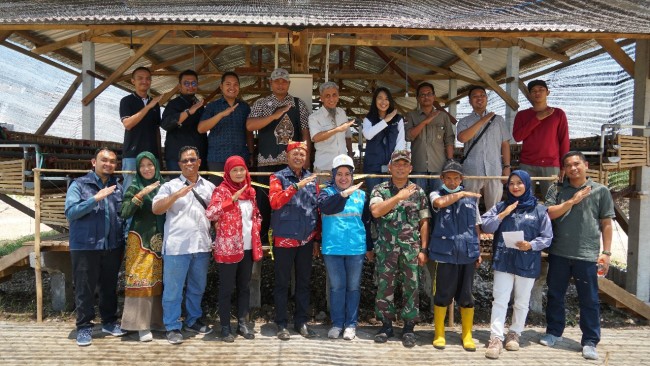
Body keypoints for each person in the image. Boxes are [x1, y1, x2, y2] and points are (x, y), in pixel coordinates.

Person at [540, 151, 614, 360]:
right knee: (555, 295)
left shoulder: (601, 191)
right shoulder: (557, 189)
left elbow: (606, 224)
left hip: (587, 255)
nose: (573, 168)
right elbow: (549, 213)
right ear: (563, 169)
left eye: (576, 164)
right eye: (568, 165)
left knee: (589, 299)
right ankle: (554, 332)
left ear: (585, 165)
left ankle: (590, 341)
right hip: (559, 252)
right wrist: (572, 201)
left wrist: (606, 253)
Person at [481, 170, 553, 359]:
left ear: (528, 185)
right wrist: (503, 214)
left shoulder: (539, 210)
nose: (515, 186)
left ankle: (515, 333)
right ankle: (496, 337)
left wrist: (531, 245)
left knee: (521, 301)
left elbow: (547, 237)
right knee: (500, 299)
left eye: (519, 183)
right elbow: (486, 226)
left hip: (527, 260)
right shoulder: (500, 206)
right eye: (512, 183)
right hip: (504, 259)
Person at [152, 146, 216, 344]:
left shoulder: (209, 187)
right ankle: (172, 326)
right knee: (173, 290)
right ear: (179, 164)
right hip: (177, 247)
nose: (189, 163)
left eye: (192, 159)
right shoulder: (169, 186)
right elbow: (156, 209)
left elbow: (215, 214)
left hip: (201, 246)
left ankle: (193, 320)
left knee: (197, 287)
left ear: (199, 162)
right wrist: (176, 196)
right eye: (185, 161)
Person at [64, 147, 126, 346]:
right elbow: (71, 212)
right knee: (85, 287)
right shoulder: (79, 184)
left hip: (112, 245)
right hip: (86, 246)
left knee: (109, 286)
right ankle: (84, 327)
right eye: (104, 160)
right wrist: (95, 199)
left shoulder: (118, 186)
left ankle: (109, 321)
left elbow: (121, 215)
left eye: (112, 161)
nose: (108, 164)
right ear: (94, 162)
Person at [369, 150, 430, 348]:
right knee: (384, 287)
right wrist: (398, 197)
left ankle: (408, 328)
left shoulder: (418, 192)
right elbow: (376, 211)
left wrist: (423, 249)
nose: (401, 167)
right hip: (386, 249)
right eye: (397, 164)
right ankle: (386, 325)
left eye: (404, 164)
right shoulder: (380, 190)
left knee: (411, 288)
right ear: (390, 167)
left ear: (410, 168)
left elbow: (424, 222)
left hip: (410, 249)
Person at [247, 68, 311, 248]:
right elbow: (250, 125)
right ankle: (261, 242)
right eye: (277, 81)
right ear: (270, 83)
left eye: (284, 81)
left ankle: (288, 239)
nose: (281, 84)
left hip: (292, 165)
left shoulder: (299, 105)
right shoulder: (261, 103)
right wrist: (274, 116)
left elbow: (305, 132)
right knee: (264, 203)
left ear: (289, 84)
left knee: (290, 203)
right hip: (266, 163)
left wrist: (307, 158)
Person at [205, 155, 262, 342]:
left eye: (241, 169)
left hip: (247, 247)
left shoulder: (251, 191)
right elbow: (211, 213)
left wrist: (256, 227)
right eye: (234, 170)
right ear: (227, 173)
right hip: (228, 248)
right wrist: (231, 200)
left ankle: (243, 324)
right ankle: (225, 326)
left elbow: (256, 215)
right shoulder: (221, 191)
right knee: (227, 289)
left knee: (244, 287)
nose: (239, 173)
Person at [428, 160, 482, 352]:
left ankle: (467, 334)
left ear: (462, 179)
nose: (452, 182)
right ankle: (439, 333)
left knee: (466, 296)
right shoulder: (436, 194)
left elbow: (476, 226)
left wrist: (478, 250)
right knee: (442, 294)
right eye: (448, 178)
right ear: (442, 178)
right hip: (445, 254)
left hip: (467, 252)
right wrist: (461, 193)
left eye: (456, 178)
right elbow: (440, 203)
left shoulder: (471, 199)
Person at [268, 141, 320, 340]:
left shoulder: (311, 178)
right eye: (295, 154)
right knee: (282, 283)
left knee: (304, 283)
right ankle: (281, 323)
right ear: (287, 156)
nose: (298, 157)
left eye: (302, 154)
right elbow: (275, 201)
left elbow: (314, 209)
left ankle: (301, 322)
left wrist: (316, 238)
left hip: (306, 240)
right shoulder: (278, 177)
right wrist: (296, 187)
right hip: (284, 240)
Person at [317, 154, 371, 341]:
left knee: (353, 288)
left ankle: (351, 325)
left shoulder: (362, 195)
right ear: (333, 175)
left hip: (356, 249)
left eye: (347, 174)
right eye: (339, 174)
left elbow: (367, 222)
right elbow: (326, 208)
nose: (343, 178)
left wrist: (369, 247)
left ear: (352, 176)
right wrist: (343, 195)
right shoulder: (325, 192)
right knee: (337, 287)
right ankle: (337, 323)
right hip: (333, 248)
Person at [119, 151, 166, 342]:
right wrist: (141, 194)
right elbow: (124, 212)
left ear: (156, 166)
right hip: (139, 241)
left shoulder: (164, 186)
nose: (147, 169)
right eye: (142, 166)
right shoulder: (134, 186)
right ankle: (139, 326)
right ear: (137, 169)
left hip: (161, 240)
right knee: (140, 281)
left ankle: (156, 322)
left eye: (150, 165)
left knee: (157, 281)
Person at [457, 85, 512, 211]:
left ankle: (491, 231)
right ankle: (471, 230)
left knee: (493, 207)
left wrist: (507, 167)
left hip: (494, 170)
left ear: (487, 98)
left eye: (482, 95)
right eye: (475, 96)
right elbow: (462, 138)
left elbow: (505, 144)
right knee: (470, 206)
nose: (479, 98)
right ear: (470, 100)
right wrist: (482, 120)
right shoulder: (464, 121)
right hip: (472, 170)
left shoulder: (498, 120)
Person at [513, 79, 570, 197]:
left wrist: (564, 165)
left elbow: (563, 140)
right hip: (527, 163)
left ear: (547, 92)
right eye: (533, 91)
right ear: (529, 95)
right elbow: (518, 137)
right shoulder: (522, 115)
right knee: (525, 199)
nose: (537, 93)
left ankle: (550, 217)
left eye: (541, 90)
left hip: (551, 164)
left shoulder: (558, 113)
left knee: (552, 200)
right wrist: (537, 119)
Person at [198, 71, 254, 184]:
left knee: (240, 193)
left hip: (240, 157)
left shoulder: (244, 107)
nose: (232, 87)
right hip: (217, 158)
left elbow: (249, 132)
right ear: (221, 87)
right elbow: (201, 128)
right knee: (219, 193)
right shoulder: (212, 106)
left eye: (235, 84)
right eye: (228, 84)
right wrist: (221, 114)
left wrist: (251, 153)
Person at [404, 82, 455, 194]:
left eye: (429, 94)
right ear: (417, 98)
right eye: (422, 95)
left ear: (434, 96)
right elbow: (408, 136)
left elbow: (449, 139)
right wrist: (426, 121)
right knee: (418, 198)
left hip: (439, 166)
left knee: (438, 198)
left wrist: (450, 161)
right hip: (418, 166)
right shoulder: (412, 115)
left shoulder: (443, 116)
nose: (426, 97)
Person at [119, 66, 162, 191]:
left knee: (153, 190)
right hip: (132, 153)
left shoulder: (155, 104)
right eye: (140, 78)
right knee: (131, 189)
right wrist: (148, 107)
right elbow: (128, 124)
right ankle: (128, 211)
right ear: (133, 81)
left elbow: (156, 130)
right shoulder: (126, 101)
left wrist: (159, 156)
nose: (144, 81)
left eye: (148, 78)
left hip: (152, 154)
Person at [161, 69, 208, 171]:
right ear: (179, 86)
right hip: (177, 158)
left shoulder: (200, 106)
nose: (190, 86)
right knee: (177, 187)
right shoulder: (173, 104)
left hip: (197, 157)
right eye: (186, 83)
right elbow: (165, 124)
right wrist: (188, 112)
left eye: (193, 83)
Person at [309, 81, 354, 184]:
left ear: (338, 96)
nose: (331, 99)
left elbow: (347, 136)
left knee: (344, 198)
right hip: (324, 168)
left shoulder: (342, 113)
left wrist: (350, 156)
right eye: (327, 96)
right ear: (321, 98)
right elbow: (316, 137)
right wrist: (337, 129)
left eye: (334, 95)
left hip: (343, 168)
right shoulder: (314, 117)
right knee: (324, 198)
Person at [362, 87, 406, 191]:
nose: (383, 102)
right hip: (372, 166)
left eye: (386, 99)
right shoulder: (368, 119)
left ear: (390, 101)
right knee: (374, 196)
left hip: (391, 166)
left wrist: (394, 161)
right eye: (380, 98)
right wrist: (386, 121)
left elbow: (400, 142)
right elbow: (368, 135)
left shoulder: (398, 119)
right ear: (375, 100)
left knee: (390, 196)